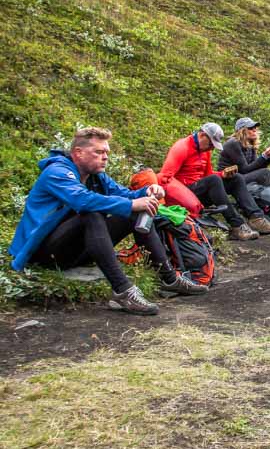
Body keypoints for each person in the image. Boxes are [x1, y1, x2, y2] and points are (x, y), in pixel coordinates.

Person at [8, 127, 207, 315]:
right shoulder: (57, 173)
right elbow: (81, 200)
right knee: (92, 212)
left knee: (136, 213)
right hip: (44, 252)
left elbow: (124, 194)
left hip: (74, 249)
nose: (105, 157)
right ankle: (123, 291)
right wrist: (132, 203)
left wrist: (147, 192)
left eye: (107, 153)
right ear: (78, 153)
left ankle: (170, 279)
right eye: (99, 152)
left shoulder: (96, 176)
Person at [159, 123, 270, 240]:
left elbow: (208, 174)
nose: (212, 148)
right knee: (214, 180)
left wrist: (223, 174)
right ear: (202, 135)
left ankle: (256, 218)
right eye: (211, 144)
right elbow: (165, 178)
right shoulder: (182, 147)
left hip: (200, 191)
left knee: (236, 178)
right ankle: (237, 226)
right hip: (184, 194)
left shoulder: (205, 150)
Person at [217, 117, 270, 223]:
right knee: (266, 173)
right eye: (251, 128)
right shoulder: (233, 143)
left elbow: (255, 167)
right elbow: (244, 169)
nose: (254, 130)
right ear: (242, 130)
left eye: (255, 128)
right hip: (231, 180)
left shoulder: (250, 143)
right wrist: (264, 156)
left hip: (242, 176)